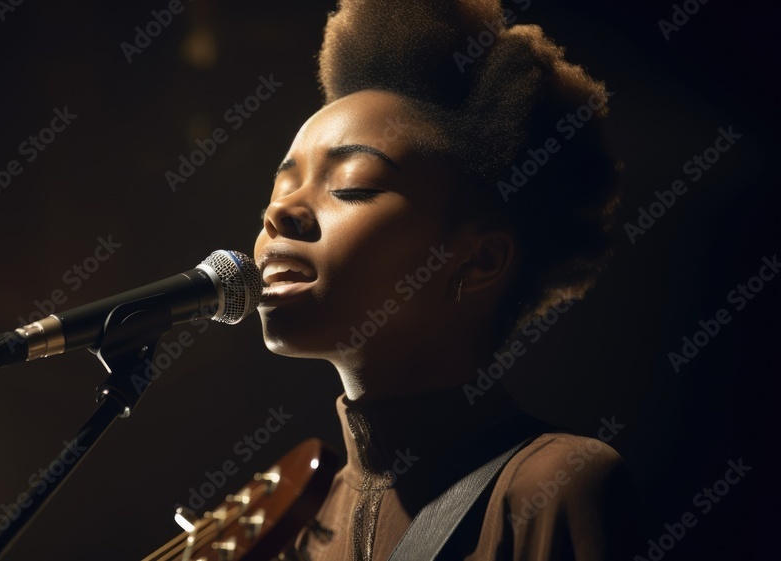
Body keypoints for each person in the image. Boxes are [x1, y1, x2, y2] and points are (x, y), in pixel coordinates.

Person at [252, 0, 635, 559]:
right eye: (281, 188)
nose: (279, 214)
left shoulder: (554, 485)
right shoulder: (299, 527)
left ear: (478, 262)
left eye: (352, 184)